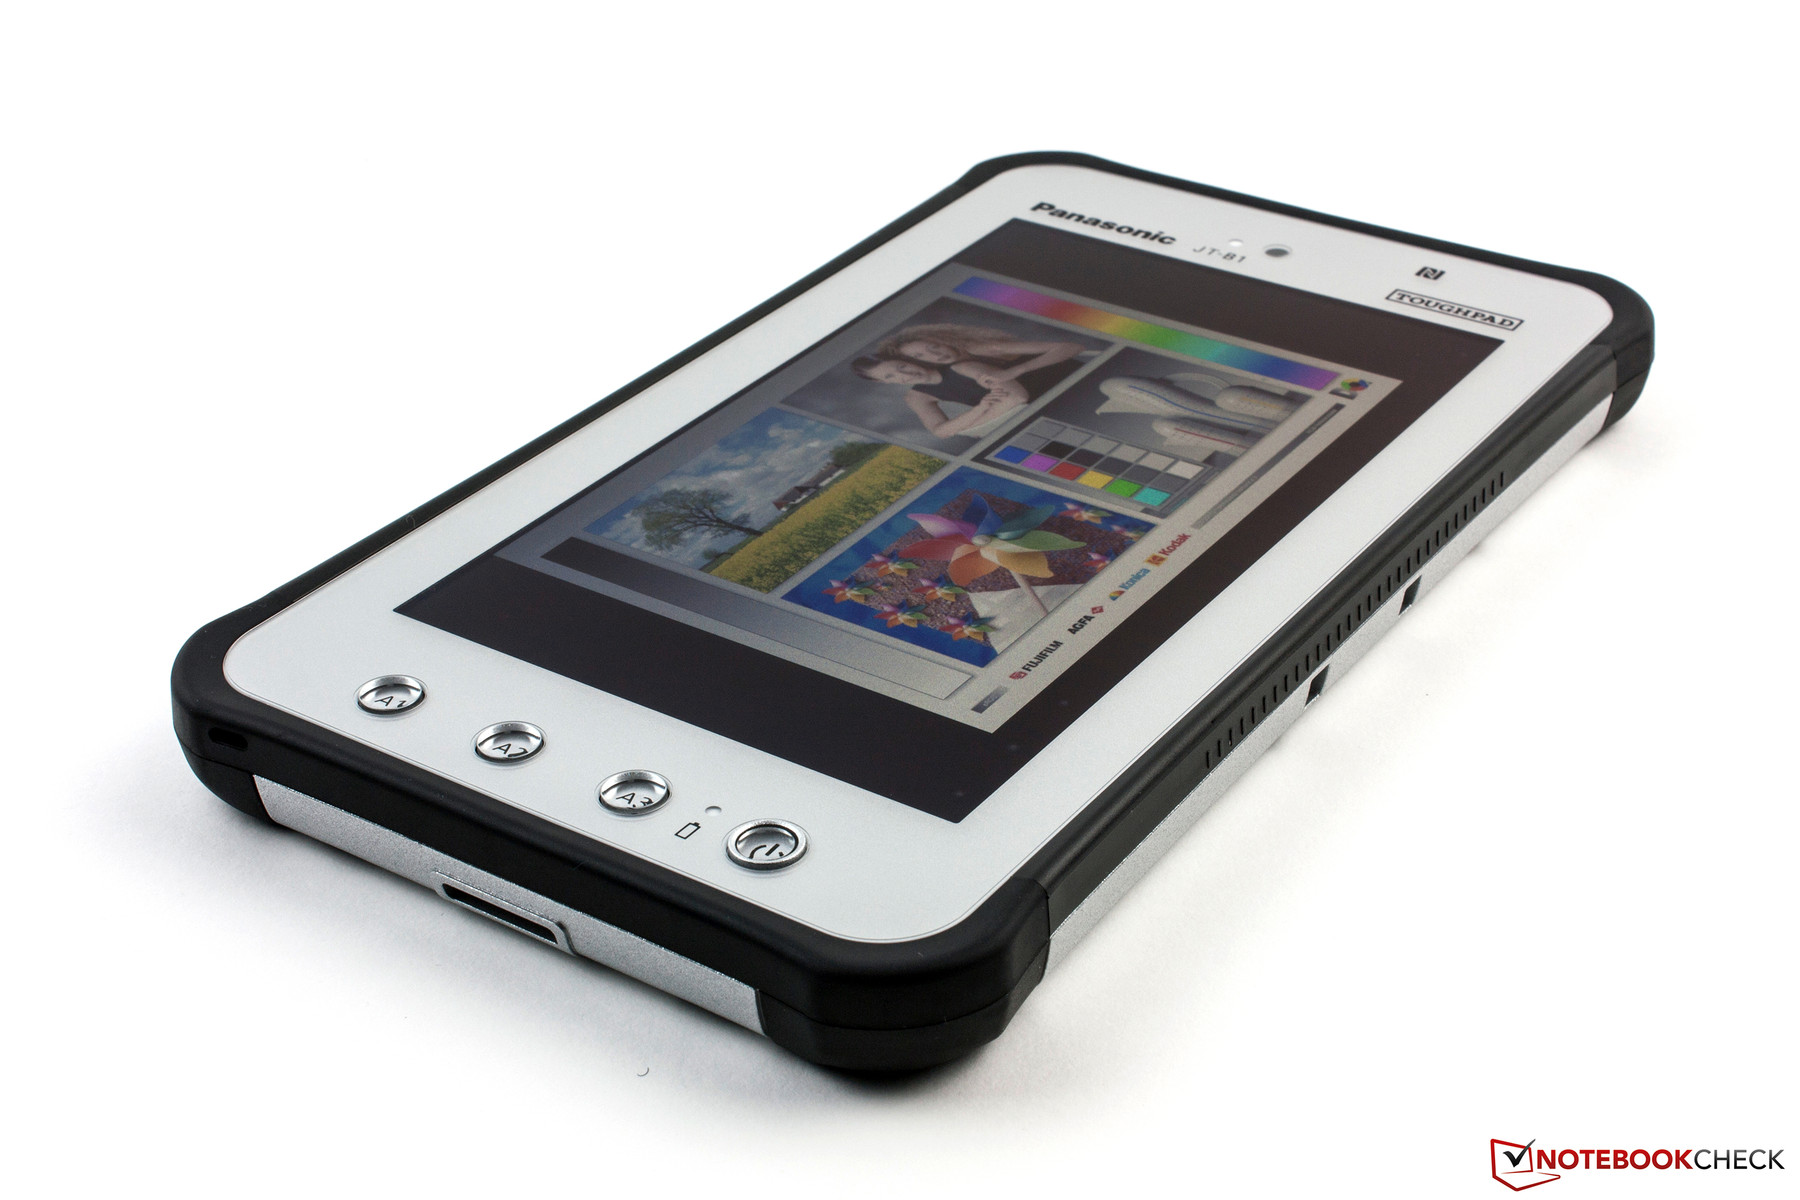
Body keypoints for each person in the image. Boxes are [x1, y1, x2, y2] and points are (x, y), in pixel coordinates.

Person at [851, 324, 1088, 438]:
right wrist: (980, 409)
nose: (905, 375)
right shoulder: (916, 396)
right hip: (1047, 408)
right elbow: (941, 432)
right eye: (890, 376)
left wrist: (1016, 371)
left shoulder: (968, 360)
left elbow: (1016, 397)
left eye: (902, 367)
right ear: (883, 383)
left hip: (1073, 381)